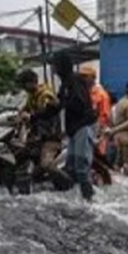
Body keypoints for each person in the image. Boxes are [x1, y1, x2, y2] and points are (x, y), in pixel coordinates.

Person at [54, 52, 97, 202]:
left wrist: (64, 101)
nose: (54, 69)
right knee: (71, 167)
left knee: (81, 167)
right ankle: (77, 199)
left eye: (55, 65)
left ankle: (90, 201)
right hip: (73, 130)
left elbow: (79, 103)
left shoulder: (75, 80)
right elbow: (57, 106)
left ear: (62, 66)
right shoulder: (65, 84)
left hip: (83, 126)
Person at [17, 69, 67, 188]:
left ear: (31, 83)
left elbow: (46, 113)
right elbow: (24, 109)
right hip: (37, 137)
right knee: (19, 153)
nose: (23, 87)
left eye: (24, 84)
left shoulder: (45, 95)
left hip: (50, 137)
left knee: (46, 165)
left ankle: (67, 185)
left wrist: (30, 116)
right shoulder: (32, 95)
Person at [82, 66, 113, 158]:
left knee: (97, 156)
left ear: (92, 78)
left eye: (85, 76)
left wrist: (99, 133)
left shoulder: (101, 95)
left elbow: (105, 115)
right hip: (85, 131)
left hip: (97, 131)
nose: (82, 79)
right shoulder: (84, 92)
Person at [110, 84, 128, 175]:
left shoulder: (120, 102)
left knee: (118, 162)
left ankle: (117, 183)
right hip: (127, 135)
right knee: (127, 162)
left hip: (117, 135)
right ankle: (127, 182)